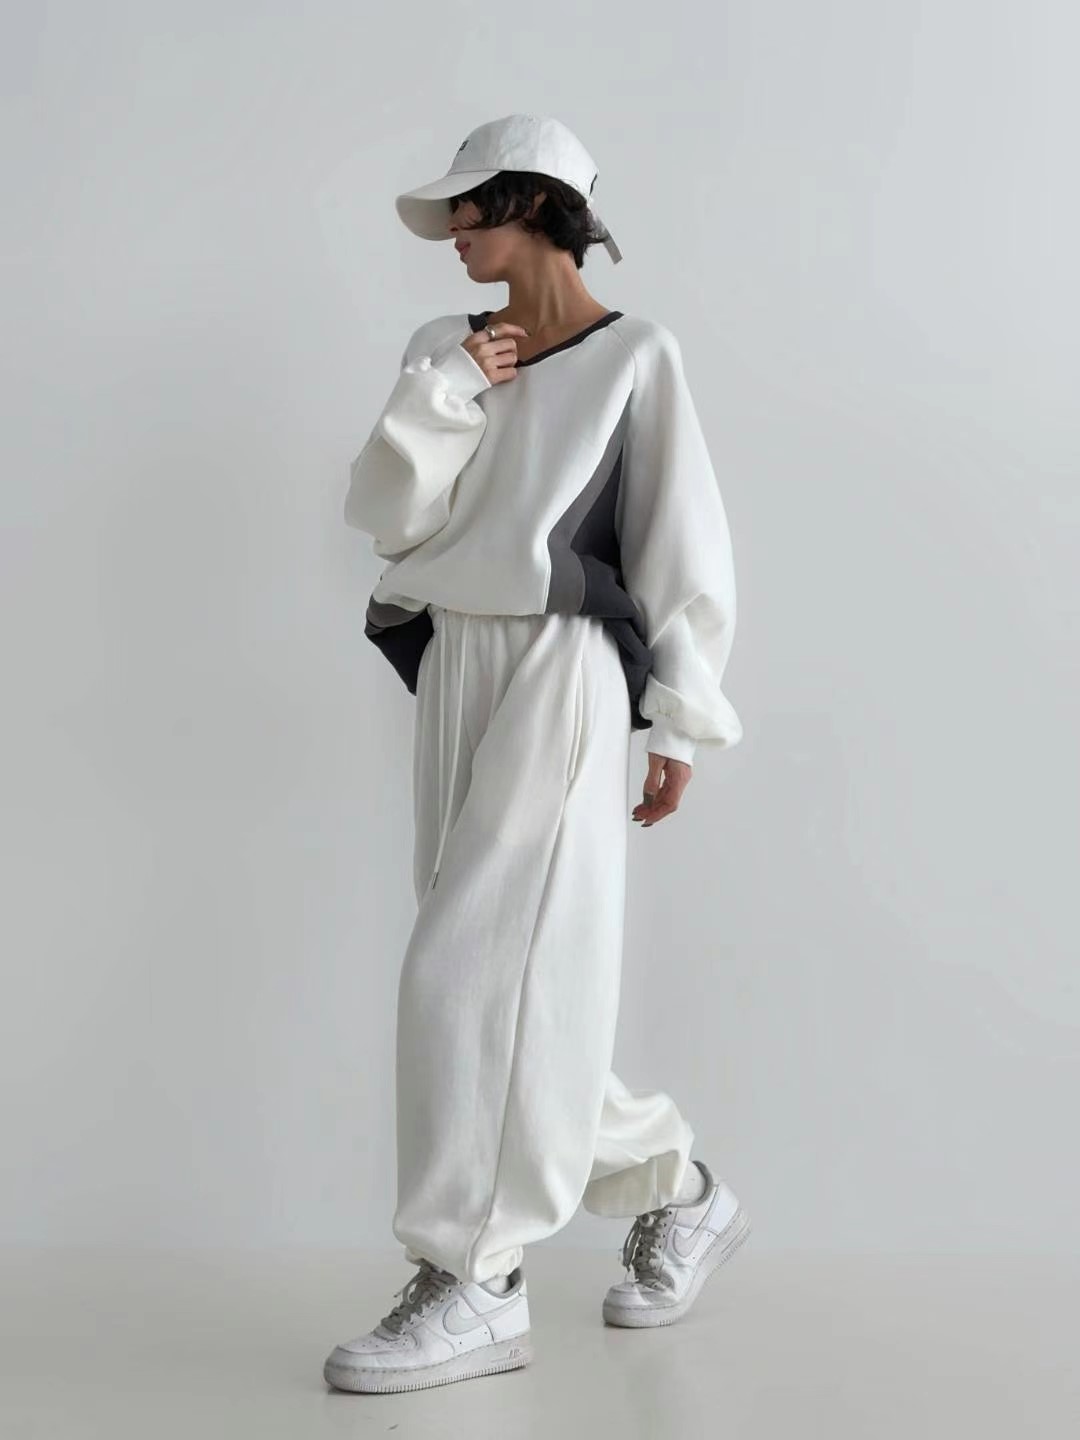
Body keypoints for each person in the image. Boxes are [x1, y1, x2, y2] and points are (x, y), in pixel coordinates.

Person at [323, 114, 751, 1396]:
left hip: (565, 664)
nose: (454, 231)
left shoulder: (638, 355)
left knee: (470, 969)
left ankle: (478, 1276)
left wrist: (682, 718)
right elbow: (385, 514)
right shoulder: (443, 348)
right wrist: (451, 389)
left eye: (473, 208)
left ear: (534, 206)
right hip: (457, 656)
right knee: (513, 978)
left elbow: (682, 540)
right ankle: (676, 1185)